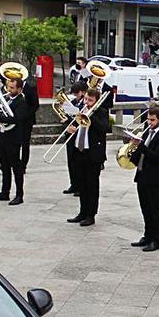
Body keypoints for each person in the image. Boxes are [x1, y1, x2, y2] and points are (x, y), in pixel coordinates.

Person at [65, 87, 109, 226]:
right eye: (86, 99)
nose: (87, 102)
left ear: (96, 101)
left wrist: (90, 117)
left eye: (90, 100)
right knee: (81, 185)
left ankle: (91, 214)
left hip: (92, 154)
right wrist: (69, 129)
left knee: (92, 186)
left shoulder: (101, 112)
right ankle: (82, 212)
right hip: (79, 151)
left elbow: (104, 128)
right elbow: (71, 126)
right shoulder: (80, 110)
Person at [129, 106, 159, 252]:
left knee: (155, 211)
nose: (149, 123)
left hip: (155, 178)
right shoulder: (147, 133)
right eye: (148, 119)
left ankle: (156, 240)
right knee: (145, 209)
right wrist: (134, 147)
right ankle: (147, 235)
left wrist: (141, 146)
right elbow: (140, 153)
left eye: (152, 120)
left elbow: (157, 157)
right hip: (142, 175)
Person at [0, 68, 32, 205]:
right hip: (3, 135)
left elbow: (16, 119)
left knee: (16, 167)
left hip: (14, 137)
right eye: (8, 87)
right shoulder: (7, 99)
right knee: (4, 165)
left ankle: (19, 194)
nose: (9, 89)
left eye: (12, 88)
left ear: (19, 89)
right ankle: (4, 192)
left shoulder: (22, 102)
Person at [62, 81, 87, 197]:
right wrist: (66, 124)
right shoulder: (73, 102)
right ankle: (73, 184)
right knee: (71, 161)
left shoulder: (85, 106)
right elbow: (66, 116)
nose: (75, 96)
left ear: (82, 92)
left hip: (79, 135)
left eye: (77, 93)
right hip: (70, 134)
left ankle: (80, 186)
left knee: (78, 162)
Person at [19, 73, 41, 170]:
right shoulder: (11, 88)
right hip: (15, 119)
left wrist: (25, 115)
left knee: (25, 143)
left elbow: (35, 105)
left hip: (27, 121)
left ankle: (23, 165)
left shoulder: (30, 88)